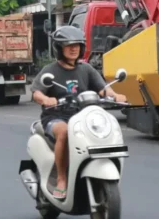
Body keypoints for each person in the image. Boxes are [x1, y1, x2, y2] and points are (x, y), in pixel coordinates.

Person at [30, 26, 127, 199]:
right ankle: (61, 178)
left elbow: (102, 89)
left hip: (82, 117)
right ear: (59, 48)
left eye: (77, 45)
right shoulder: (50, 70)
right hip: (56, 117)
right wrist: (46, 99)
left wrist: (115, 95)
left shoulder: (86, 69)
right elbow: (37, 92)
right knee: (64, 132)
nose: (74, 49)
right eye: (69, 46)